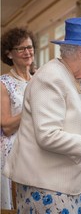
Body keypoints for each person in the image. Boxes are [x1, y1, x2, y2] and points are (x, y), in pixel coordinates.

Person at [3, 17, 81, 213]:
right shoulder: (50, 78)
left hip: (68, 186)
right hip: (47, 188)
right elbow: (48, 136)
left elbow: (76, 130)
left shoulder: (75, 79)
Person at [1, 27, 36, 209]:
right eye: (21, 48)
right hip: (14, 150)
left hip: (39, 147)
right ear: (9, 53)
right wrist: (31, 109)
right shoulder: (3, 83)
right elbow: (6, 126)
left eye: (29, 47)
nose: (27, 52)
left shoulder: (39, 80)